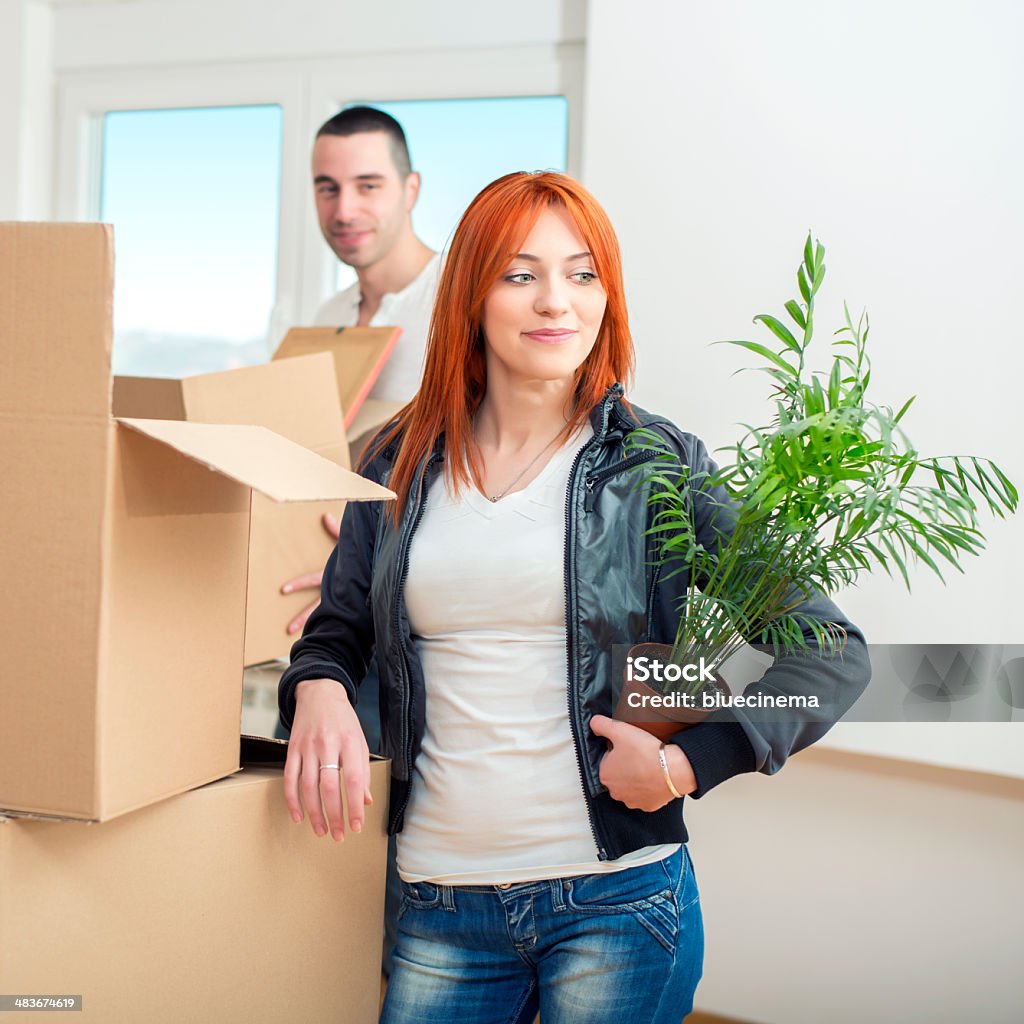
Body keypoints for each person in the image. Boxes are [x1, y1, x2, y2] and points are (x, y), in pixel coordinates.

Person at [278, 171, 871, 1022]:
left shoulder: (656, 465)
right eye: (521, 274)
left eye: (583, 273)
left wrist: (684, 763)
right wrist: (322, 688)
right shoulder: (398, 458)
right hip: (440, 900)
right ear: (472, 295)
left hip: (616, 903)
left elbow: (823, 648)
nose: (556, 300)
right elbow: (336, 633)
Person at [274, 105, 442, 978]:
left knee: (388, 873)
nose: (346, 207)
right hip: (323, 615)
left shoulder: (459, 306)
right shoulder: (330, 319)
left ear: (410, 190)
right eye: (327, 187)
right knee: (316, 862)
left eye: (369, 184)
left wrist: (376, 517)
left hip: (409, 628)